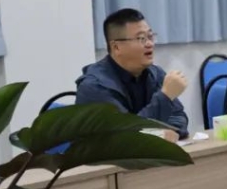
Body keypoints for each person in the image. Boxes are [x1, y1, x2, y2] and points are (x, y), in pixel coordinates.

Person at [76, 8, 189, 141]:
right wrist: (165, 97)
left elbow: (179, 119)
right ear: (116, 47)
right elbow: (126, 136)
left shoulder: (156, 74)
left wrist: (161, 132)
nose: (150, 44)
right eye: (141, 38)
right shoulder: (94, 87)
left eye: (150, 36)